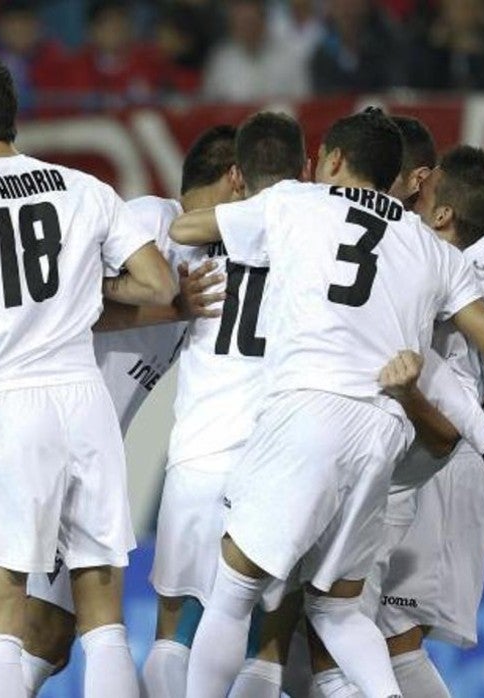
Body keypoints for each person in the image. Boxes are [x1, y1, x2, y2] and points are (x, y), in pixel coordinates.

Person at [170, 108, 484, 698]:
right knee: (337, 609)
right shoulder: (430, 248)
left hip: (308, 409)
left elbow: (188, 230)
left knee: (235, 588)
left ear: (333, 160)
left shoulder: (296, 205)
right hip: (381, 432)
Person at [0, 125, 236, 698]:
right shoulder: (152, 218)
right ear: (234, 180)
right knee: (32, 627)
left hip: (78, 436)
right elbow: (59, 304)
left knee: (53, 634)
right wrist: (164, 308)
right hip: (37, 420)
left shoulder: (219, 256)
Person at [315, 145, 484, 698]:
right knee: (377, 636)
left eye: (424, 186)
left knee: (384, 637)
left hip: (439, 464)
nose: (415, 188)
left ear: (442, 212)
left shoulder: (437, 270)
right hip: (449, 463)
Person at [145, 112, 309, 698]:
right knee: (267, 634)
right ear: (307, 170)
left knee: (172, 626)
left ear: (238, 174)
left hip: (198, 452)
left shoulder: (193, 233)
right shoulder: (314, 235)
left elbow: (185, 228)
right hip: (275, 456)